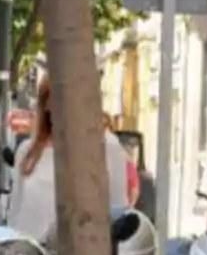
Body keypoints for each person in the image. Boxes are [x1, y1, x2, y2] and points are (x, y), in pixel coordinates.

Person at [7, 78, 130, 245]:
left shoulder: (108, 147)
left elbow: (118, 213)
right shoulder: (27, 152)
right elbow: (15, 216)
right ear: (47, 103)